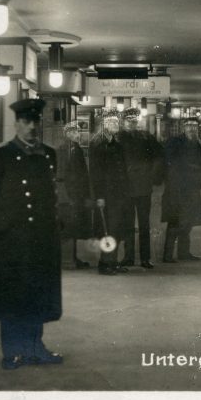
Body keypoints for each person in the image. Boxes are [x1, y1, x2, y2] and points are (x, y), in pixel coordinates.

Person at [0, 98, 63, 370]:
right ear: (17, 123)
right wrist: (2, 226)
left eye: (36, 121)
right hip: (12, 239)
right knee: (13, 295)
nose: (32, 127)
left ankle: (36, 347)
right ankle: (12, 351)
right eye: (26, 122)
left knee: (37, 294)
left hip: (42, 238)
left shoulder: (48, 155)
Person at [87, 109, 134, 275]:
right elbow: (95, 172)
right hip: (107, 194)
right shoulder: (98, 144)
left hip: (119, 194)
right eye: (111, 122)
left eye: (116, 122)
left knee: (117, 228)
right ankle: (105, 263)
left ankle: (112, 262)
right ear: (103, 125)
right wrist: (99, 196)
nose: (115, 125)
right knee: (108, 229)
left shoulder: (116, 143)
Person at [118, 107, 165, 269]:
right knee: (128, 223)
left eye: (133, 120)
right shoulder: (118, 139)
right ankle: (129, 256)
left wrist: (152, 175)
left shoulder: (146, 138)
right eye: (128, 120)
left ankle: (145, 258)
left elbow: (159, 157)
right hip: (125, 187)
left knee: (144, 224)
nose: (131, 123)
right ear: (123, 122)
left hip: (143, 187)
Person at [161, 117, 201, 262]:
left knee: (188, 222)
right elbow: (170, 162)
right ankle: (167, 255)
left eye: (194, 126)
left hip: (192, 188)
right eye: (189, 126)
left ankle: (184, 252)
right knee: (175, 221)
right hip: (177, 188)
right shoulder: (175, 142)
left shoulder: (197, 144)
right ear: (183, 128)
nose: (192, 129)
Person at [58, 121, 93, 269]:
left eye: (77, 132)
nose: (76, 135)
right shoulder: (69, 150)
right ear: (66, 134)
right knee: (71, 226)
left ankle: (72, 257)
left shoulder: (70, 148)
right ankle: (69, 259)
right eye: (72, 132)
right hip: (71, 194)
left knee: (73, 226)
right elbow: (70, 174)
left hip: (72, 193)